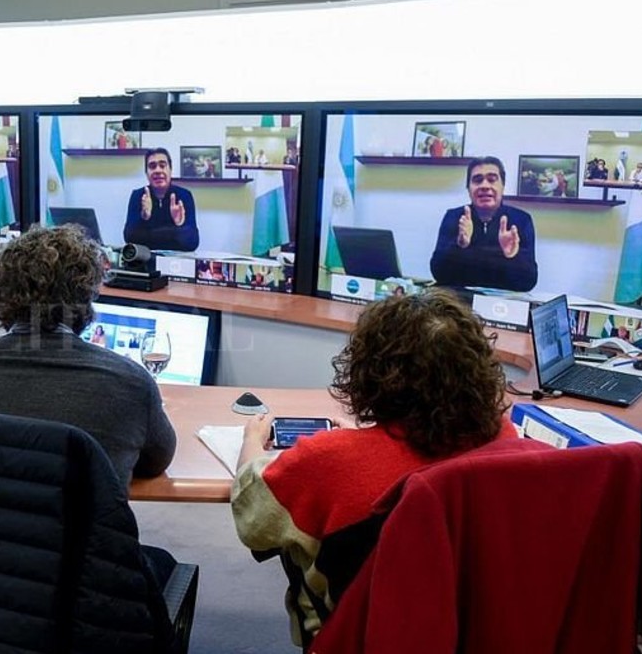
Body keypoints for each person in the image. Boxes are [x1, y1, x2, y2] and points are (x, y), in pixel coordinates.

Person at [230, 289, 518, 646]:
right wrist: (364, 444)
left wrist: (251, 442)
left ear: (371, 373)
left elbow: (252, 520)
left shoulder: (324, 462)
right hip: (469, 629)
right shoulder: (508, 443)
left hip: (358, 637)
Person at [0, 225, 176, 490]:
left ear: (0, 294)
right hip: (82, 531)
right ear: (86, 297)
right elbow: (155, 463)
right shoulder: (132, 384)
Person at [428, 156, 539, 291]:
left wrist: (512, 257)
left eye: (492, 180)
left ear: (502, 186)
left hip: (503, 305)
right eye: (477, 180)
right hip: (461, 302)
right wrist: (460, 245)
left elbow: (529, 281)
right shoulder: (454, 217)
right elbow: (439, 274)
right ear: (468, 188)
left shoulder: (521, 220)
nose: (485, 186)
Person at [123, 148, 200, 252]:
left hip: (177, 263)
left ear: (170, 170)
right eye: (152, 166)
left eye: (162, 166)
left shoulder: (184, 196)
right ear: (146, 173)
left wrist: (179, 224)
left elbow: (192, 242)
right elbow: (129, 238)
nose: (158, 170)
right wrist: (144, 217)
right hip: (146, 262)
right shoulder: (138, 196)